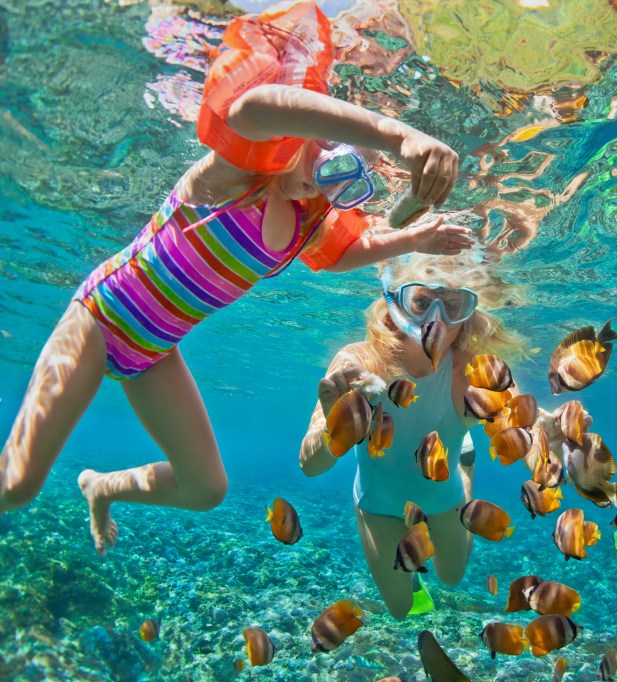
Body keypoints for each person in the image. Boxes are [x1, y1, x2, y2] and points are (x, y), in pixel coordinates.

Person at [0, 3, 475, 556]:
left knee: (206, 489)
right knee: (17, 485)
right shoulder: (238, 174)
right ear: (308, 131)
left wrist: (413, 240)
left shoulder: (305, 220)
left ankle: (101, 487)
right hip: (101, 318)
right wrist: (399, 138)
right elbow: (254, 107)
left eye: (346, 185)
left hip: (153, 350)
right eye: (327, 160)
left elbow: (351, 251)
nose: (324, 187)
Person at [298, 252, 528, 619]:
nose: (435, 320)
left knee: (451, 577)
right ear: (394, 304)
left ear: (468, 315)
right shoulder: (359, 361)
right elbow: (310, 466)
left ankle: (465, 472)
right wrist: (333, 425)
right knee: (402, 608)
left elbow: (519, 423)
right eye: (421, 302)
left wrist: (549, 436)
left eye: (453, 305)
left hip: (444, 493)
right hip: (378, 504)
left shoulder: (472, 366)